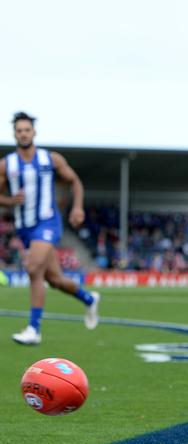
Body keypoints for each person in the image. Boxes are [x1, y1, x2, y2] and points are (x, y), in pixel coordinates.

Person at [0, 112, 100, 345]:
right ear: (14, 134)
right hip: (25, 227)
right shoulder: (7, 165)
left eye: (27, 129)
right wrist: (10, 201)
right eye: (19, 130)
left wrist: (77, 208)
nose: (23, 133)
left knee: (33, 268)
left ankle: (34, 329)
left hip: (47, 223)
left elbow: (75, 181)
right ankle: (89, 299)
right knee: (55, 279)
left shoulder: (51, 159)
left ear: (34, 132)